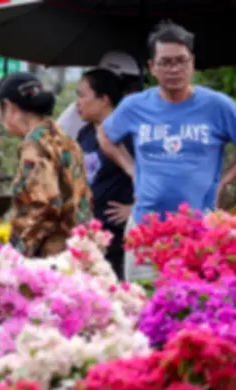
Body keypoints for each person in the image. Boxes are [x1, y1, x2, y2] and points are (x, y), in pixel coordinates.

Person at [98, 22, 236, 281]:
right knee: (143, 300)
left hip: (198, 231)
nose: (174, 69)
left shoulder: (216, 106)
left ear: (192, 63)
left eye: (181, 61)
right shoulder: (134, 106)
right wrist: (131, 169)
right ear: (152, 67)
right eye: (166, 62)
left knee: (194, 300)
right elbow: (105, 135)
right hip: (146, 229)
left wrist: (224, 180)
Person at [0, 72, 92, 257]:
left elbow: (43, 206)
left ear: (9, 107)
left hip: (50, 256)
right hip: (77, 248)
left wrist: (17, 253)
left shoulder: (35, 147)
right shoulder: (65, 140)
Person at [75, 69, 133, 278]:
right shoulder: (85, 133)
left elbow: (154, 174)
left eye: (82, 95)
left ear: (104, 99)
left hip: (117, 235)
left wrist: (136, 208)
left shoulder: (128, 134)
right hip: (89, 232)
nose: (77, 103)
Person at [57, 51, 143, 139]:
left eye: (135, 87)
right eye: (127, 87)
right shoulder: (79, 118)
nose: (133, 93)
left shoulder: (134, 125)